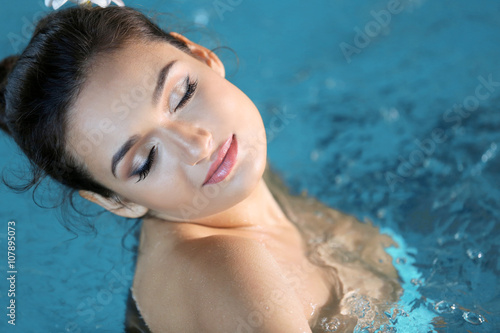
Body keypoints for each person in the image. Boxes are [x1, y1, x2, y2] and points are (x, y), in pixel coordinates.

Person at [0, 5, 401, 332]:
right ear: (117, 201)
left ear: (203, 56)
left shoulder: (238, 172)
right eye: (145, 160)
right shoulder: (227, 269)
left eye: (183, 93)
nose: (196, 144)